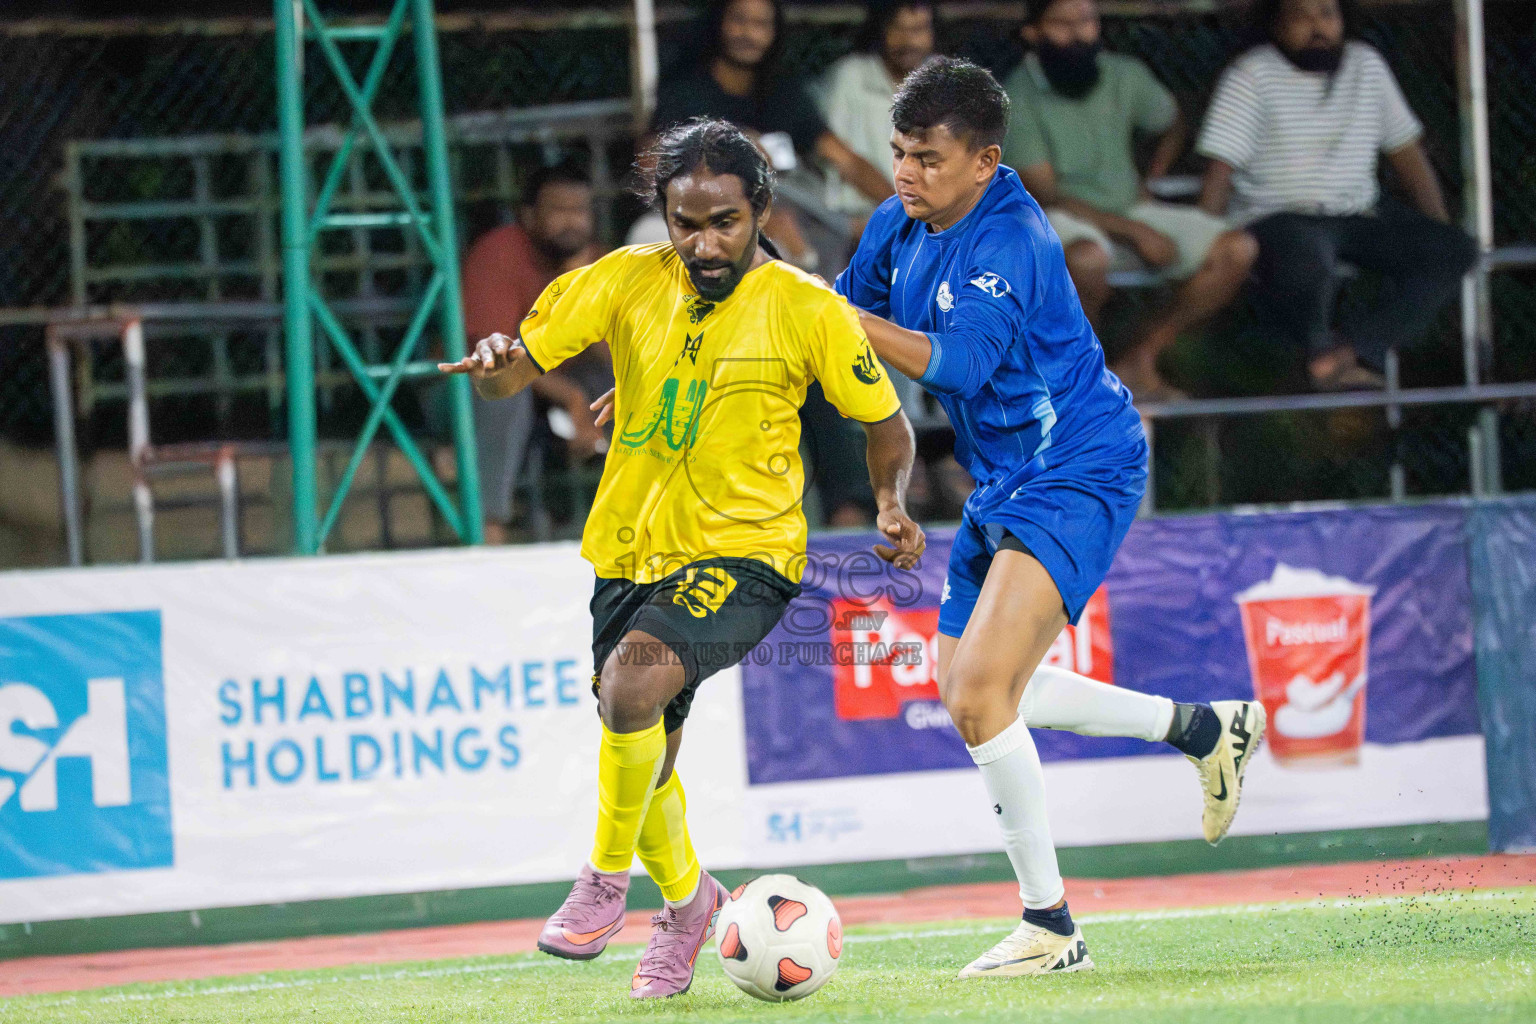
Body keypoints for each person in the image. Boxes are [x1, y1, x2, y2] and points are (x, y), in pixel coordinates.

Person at [439, 119, 924, 999]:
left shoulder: (807, 307)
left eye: (725, 223)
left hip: (749, 554)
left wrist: (888, 498)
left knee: (630, 687)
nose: (704, 243)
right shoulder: (622, 282)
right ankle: (690, 904)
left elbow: (886, 424)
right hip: (630, 548)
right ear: (660, 215)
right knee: (645, 744)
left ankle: (603, 881)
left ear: (760, 209)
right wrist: (498, 366)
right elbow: (519, 370)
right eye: (684, 223)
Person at [836, 57, 1266, 977]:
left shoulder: (1015, 239)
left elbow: (947, 364)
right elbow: (838, 312)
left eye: (928, 159)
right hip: (1003, 480)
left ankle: (1051, 928)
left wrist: (801, 304)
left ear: (986, 160)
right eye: (899, 154)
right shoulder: (897, 221)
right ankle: (1201, 731)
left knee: (981, 692)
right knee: (967, 684)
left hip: (1081, 464)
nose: (905, 173)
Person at [1196, 0, 1477, 391]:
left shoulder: (1367, 66)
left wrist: (1437, 228)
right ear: (1276, 25)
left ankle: (1348, 354)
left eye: (1327, 14)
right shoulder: (1251, 73)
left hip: (1356, 214)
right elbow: (1219, 169)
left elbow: (1408, 157)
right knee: (1306, 252)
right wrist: (1202, 243)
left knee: (1456, 248)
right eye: (1301, 16)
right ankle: (1317, 354)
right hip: (1277, 217)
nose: (1317, 28)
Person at [1004, 0, 1257, 401]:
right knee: (1086, 259)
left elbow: (1173, 121)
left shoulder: (1124, 74)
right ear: (1032, 33)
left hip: (1130, 208)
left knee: (1237, 249)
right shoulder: (1016, 94)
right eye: (1061, 24)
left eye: (1086, 21)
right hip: (1058, 214)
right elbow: (1046, 194)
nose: (1077, 34)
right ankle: (1076, 382)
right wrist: (1134, 231)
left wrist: (1154, 173)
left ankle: (1139, 359)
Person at [650, 0, 896, 269]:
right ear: (719, 23)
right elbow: (651, 161)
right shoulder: (686, 90)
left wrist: (902, 209)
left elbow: (845, 160)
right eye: (739, 21)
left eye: (760, 24)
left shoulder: (782, 90)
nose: (749, 34)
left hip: (793, 210)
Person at [458, 162, 609, 542]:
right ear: (529, 215)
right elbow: (496, 357)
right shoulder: (500, 252)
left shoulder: (601, 262)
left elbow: (620, 352)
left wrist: (579, 284)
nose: (572, 222)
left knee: (637, 384)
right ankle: (488, 528)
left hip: (560, 383)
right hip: (469, 387)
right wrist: (571, 397)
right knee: (502, 393)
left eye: (580, 211)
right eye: (560, 211)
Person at [817, 0, 937, 225]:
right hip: (854, 222)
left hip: (929, 221)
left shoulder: (945, 78)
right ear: (880, 31)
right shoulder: (850, 77)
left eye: (918, 29)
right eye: (897, 28)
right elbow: (836, 161)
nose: (908, 40)